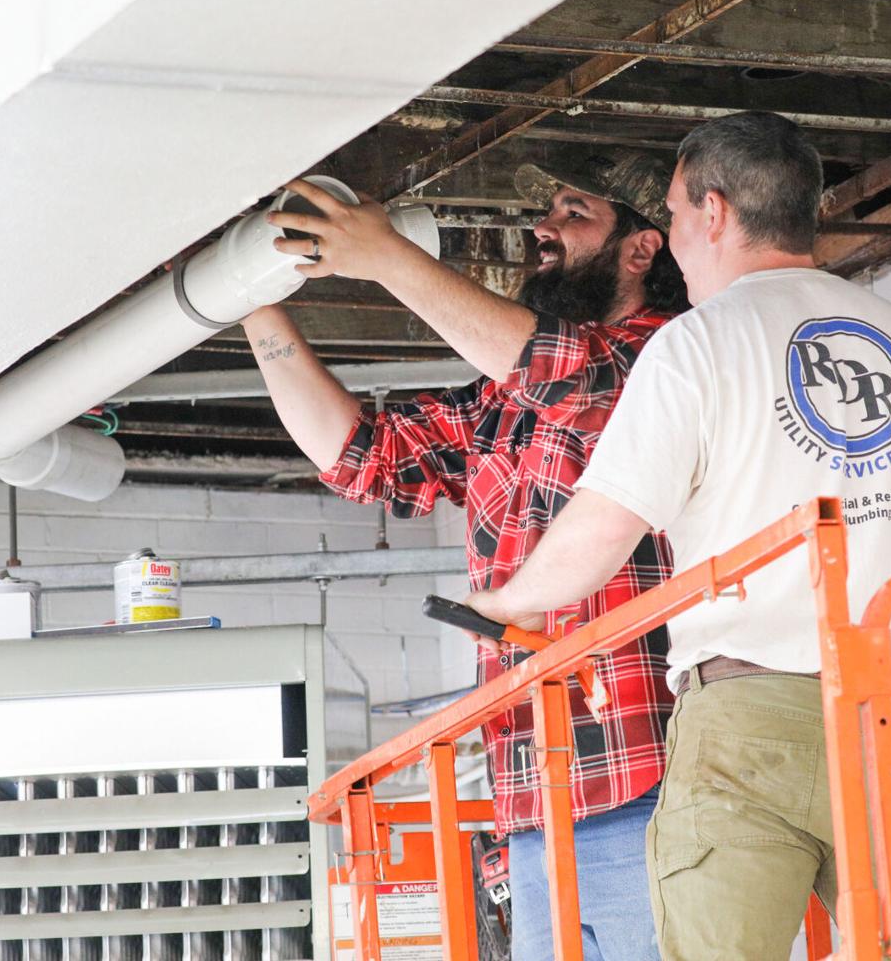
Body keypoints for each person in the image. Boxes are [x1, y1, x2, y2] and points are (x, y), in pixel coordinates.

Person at [467, 112, 891, 960]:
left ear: (715, 212)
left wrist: (511, 601)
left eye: (674, 212)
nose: (674, 240)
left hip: (745, 719)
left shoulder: (696, 346)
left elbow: (605, 523)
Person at [240, 151, 688, 961]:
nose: (542, 230)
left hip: (644, 780)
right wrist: (252, 304)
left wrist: (385, 257)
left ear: (642, 249)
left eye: (572, 210)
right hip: (532, 798)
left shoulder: (668, 362)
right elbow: (360, 456)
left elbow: (565, 373)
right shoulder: (502, 399)